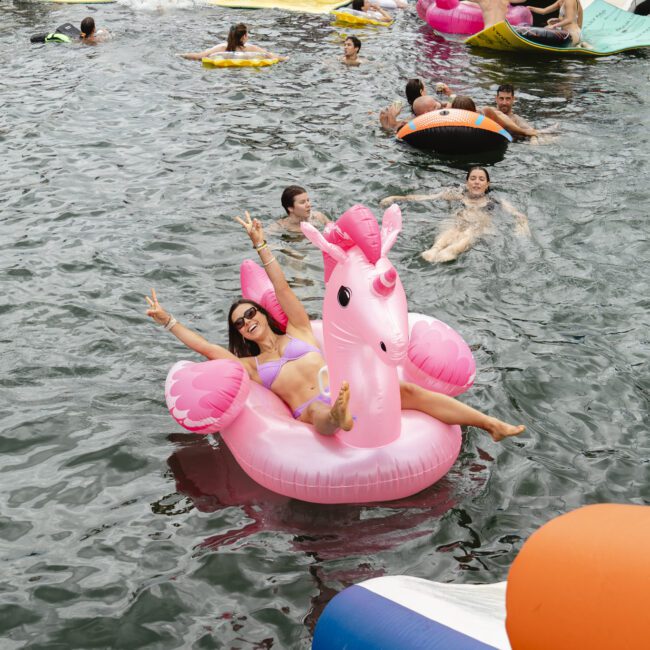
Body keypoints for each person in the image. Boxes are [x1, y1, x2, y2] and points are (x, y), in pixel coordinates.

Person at [145, 212, 525, 440]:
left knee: (404, 389)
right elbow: (207, 350)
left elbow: (281, 286)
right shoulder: (251, 368)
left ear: (261, 315)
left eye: (250, 314)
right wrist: (169, 322)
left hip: (346, 385)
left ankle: (489, 423)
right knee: (319, 417)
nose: (247, 322)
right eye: (240, 324)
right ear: (240, 334)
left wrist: (262, 246)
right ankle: (340, 418)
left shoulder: (297, 330)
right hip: (311, 407)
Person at [380, 166, 530, 262]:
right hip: (457, 223)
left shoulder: (495, 200)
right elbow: (426, 197)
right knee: (453, 229)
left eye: (481, 179)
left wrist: (522, 226)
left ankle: (452, 250)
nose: (477, 182)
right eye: (473, 179)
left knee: (471, 232)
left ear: (487, 184)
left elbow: (519, 215)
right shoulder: (457, 195)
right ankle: (435, 249)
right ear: (467, 183)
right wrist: (397, 198)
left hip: (479, 228)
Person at [179, 23, 284, 61]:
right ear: (243, 37)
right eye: (247, 34)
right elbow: (271, 56)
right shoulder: (251, 48)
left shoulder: (221, 48)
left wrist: (181, 55)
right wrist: (285, 58)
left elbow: (198, 56)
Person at [524, 0, 590, 47]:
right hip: (565, 32)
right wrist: (530, 8)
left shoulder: (570, 1)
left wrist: (554, 26)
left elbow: (570, 19)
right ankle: (580, 43)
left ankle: (581, 43)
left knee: (549, 27)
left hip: (573, 33)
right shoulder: (560, 1)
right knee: (547, 26)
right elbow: (544, 11)